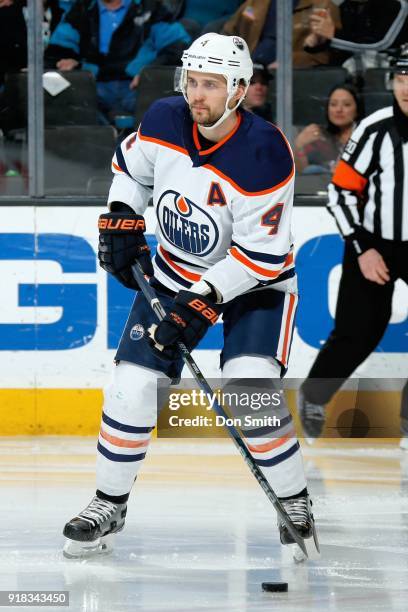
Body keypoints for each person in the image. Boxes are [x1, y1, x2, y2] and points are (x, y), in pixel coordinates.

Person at [62, 33, 318, 559]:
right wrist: (121, 214)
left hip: (254, 288)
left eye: (211, 84)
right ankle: (109, 503)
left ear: (240, 90)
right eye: (192, 81)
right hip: (173, 274)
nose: (196, 95)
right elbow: (132, 168)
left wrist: (204, 300)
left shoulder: (264, 152)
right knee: (132, 389)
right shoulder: (163, 117)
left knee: (253, 394)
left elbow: (261, 258)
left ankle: (294, 502)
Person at [297, 46, 408, 442]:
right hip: (373, 240)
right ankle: (314, 395)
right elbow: (340, 193)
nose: (406, 86)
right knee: (358, 330)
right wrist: (363, 248)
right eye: (401, 77)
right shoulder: (375, 129)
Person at [44, 0, 191, 123]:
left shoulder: (151, 8)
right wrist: (69, 62)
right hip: (93, 86)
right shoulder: (83, 8)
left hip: (136, 88)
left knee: (162, 104)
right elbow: (57, 50)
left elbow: (179, 47)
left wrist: (150, 72)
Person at [223, 0, 341, 69]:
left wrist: (288, 62)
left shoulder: (324, 7)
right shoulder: (256, 3)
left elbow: (323, 57)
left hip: (288, 79)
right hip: (247, 71)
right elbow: (228, 34)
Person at [304, 0, 408, 65]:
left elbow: (380, 44)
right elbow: (349, 44)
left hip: (388, 76)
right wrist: (321, 41)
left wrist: (333, 35)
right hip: (350, 76)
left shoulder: (397, 4)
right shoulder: (346, 6)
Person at [294, 83, 364, 174]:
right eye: (333, 104)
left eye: (346, 105)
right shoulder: (318, 136)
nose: (338, 109)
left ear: (357, 110)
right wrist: (299, 146)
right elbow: (302, 174)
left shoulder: (366, 136)